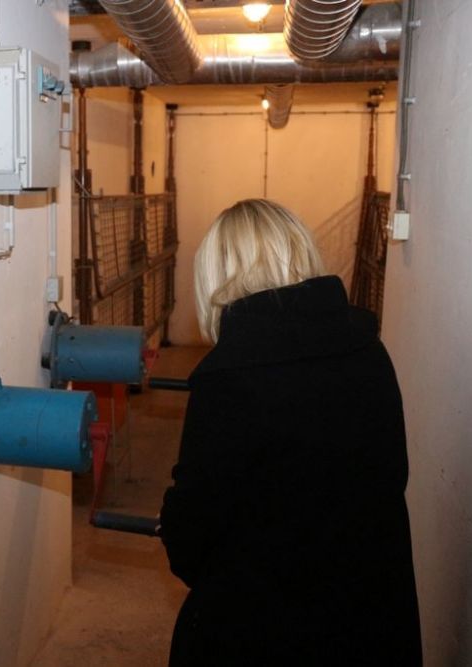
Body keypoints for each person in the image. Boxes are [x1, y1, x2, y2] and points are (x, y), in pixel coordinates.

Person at [158, 199, 421, 666]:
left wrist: (172, 519)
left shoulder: (228, 380)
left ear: (218, 275)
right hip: (372, 617)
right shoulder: (368, 349)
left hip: (263, 631)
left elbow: (193, 539)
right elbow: (390, 475)